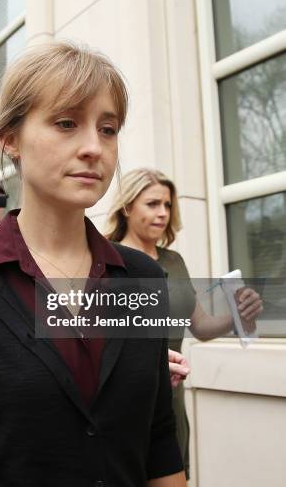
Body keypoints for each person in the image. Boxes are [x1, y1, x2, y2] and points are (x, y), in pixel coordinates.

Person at [0, 43, 186, 486]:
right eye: (66, 123)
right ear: (9, 138)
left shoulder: (141, 277)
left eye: (107, 129)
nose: (94, 147)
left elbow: (157, 440)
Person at [104, 167, 263, 479]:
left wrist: (238, 317)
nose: (163, 213)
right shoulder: (106, 258)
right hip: (121, 402)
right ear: (127, 207)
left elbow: (200, 326)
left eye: (167, 205)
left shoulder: (174, 261)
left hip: (170, 401)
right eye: (152, 204)